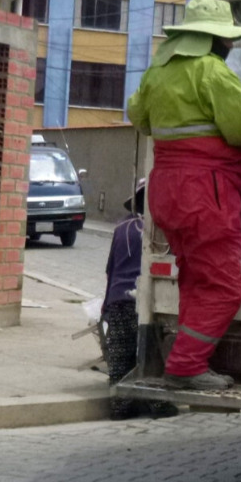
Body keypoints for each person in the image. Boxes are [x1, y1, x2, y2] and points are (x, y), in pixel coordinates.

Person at [127, 0, 241, 391]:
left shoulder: (158, 73)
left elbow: (138, 116)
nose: (230, 46)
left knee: (196, 280)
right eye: (227, 40)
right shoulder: (212, 72)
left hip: (165, 191)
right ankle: (185, 364)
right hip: (205, 194)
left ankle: (186, 360)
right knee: (225, 285)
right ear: (218, 41)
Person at [102, 179, 176, 419]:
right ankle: (159, 405)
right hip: (146, 303)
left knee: (120, 358)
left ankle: (120, 407)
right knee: (150, 357)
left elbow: (110, 271)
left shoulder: (121, 228)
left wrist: (106, 306)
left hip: (117, 300)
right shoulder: (161, 231)